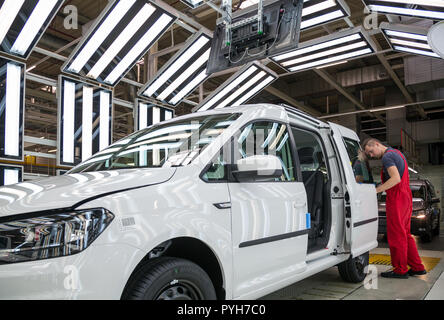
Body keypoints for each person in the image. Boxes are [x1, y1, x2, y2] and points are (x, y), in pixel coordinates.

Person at [363, 138, 426, 279]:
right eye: (369, 154)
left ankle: (400, 270)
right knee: (405, 234)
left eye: (371, 151)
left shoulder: (387, 157)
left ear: (377, 144)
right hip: (405, 196)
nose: (371, 155)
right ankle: (417, 267)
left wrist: (377, 190)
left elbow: (395, 178)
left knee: (396, 235)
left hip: (397, 197)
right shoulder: (397, 153)